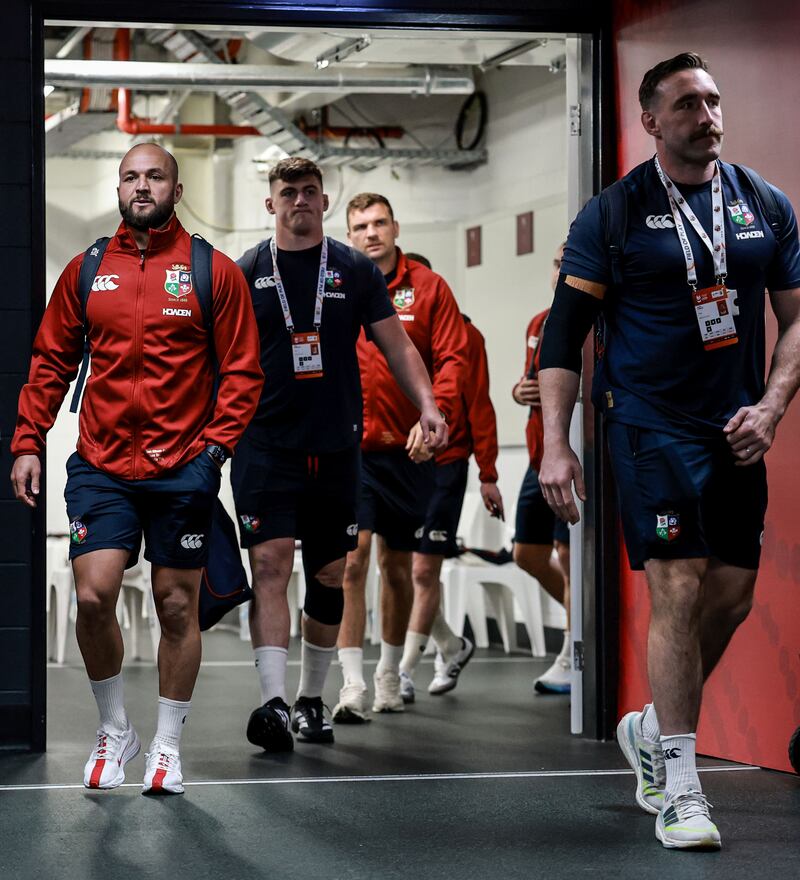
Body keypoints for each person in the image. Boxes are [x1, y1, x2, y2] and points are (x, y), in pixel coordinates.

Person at [537, 53, 800, 850]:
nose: (708, 115)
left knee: (732, 597)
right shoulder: (612, 215)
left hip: (737, 428)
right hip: (646, 424)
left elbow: (795, 321)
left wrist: (772, 406)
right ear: (650, 120)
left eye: (715, 100)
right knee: (678, 590)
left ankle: (652, 729)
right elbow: (563, 336)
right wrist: (557, 444)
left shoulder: (764, 204)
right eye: (688, 103)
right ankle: (682, 787)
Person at [10, 143, 263, 794]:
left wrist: (214, 451)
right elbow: (49, 360)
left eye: (154, 176)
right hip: (101, 464)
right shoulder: (88, 269)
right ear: (118, 189)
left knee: (176, 605)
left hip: (183, 467)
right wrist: (27, 440)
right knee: (93, 595)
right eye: (130, 177)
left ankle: (169, 747)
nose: (141, 186)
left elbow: (242, 372)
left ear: (177, 190)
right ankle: (116, 729)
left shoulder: (213, 272)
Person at [232, 160, 447, 750]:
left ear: (323, 202)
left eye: (308, 192)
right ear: (270, 204)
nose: (297, 200)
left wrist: (427, 403)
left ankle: (309, 700)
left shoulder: (351, 268)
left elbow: (398, 345)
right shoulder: (246, 271)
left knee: (331, 574)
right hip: (265, 446)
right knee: (270, 567)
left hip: (334, 449)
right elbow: (217, 361)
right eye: (286, 193)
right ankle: (273, 704)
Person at [334, 195, 469, 721]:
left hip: (410, 450)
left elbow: (454, 360)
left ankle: (389, 672)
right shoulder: (339, 285)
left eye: (378, 223)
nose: (371, 234)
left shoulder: (430, 288)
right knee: (351, 561)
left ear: (395, 227)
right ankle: (350, 683)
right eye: (359, 226)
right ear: (349, 234)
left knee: (394, 567)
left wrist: (433, 416)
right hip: (352, 451)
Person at [399, 308, 504, 703]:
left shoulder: (466, 338)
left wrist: (488, 474)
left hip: (447, 464)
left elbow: (479, 403)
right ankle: (450, 643)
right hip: (398, 464)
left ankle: (401, 671)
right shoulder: (381, 329)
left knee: (424, 570)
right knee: (399, 569)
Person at [511, 244, 572, 694]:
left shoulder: (595, 320)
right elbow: (529, 382)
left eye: (568, 264)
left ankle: (573, 649)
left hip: (575, 459)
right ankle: (582, 620)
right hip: (538, 458)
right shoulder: (537, 322)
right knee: (526, 553)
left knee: (571, 559)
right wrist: (520, 391)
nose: (560, 272)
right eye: (555, 264)